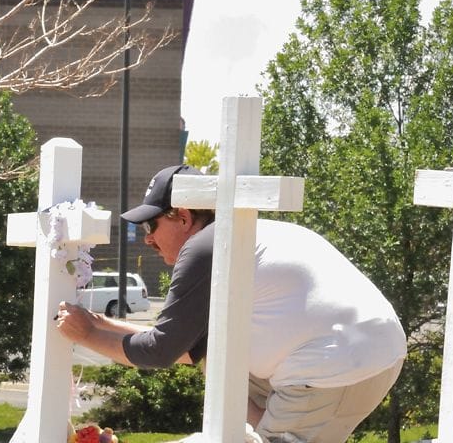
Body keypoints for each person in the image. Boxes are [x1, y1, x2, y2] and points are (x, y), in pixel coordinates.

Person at [56, 165, 407, 443]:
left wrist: (85, 334)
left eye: (152, 223)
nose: (147, 237)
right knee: (217, 361)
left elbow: (160, 351)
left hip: (332, 367)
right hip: (368, 354)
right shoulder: (239, 236)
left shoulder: (205, 246)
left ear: (183, 215)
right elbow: (186, 348)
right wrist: (101, 324)